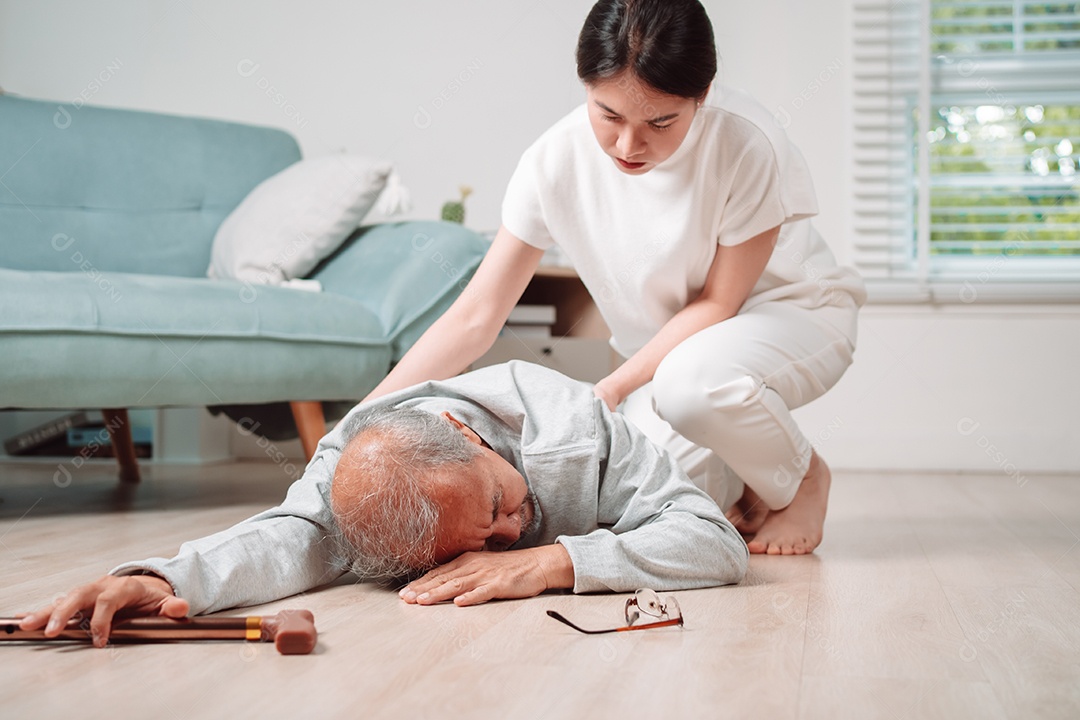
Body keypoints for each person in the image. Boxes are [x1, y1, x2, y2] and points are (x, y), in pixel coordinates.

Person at [362, 0, 867, 555]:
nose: (629, 146)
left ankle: (803, 480)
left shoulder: (746, 141)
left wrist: (615, 387)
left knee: (693, 389)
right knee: (636, 516)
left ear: (703, 93)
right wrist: (360, 423)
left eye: (660, 122)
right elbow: (477, 315)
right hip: (669, 357)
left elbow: (719, 303)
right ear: (585, 86)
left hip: (791, 315)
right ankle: (749, 489)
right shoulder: (553, 162)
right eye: (609, 115)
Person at [19, 362, 748, 647]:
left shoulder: (570, 428)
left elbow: (712, 540)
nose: (508, 528)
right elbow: (289, 538)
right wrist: (160, 581)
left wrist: (552, 560)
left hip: (648, 426)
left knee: (721, 463)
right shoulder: (350, 478)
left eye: (495, 499)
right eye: (482, 543)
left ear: (463, 432)